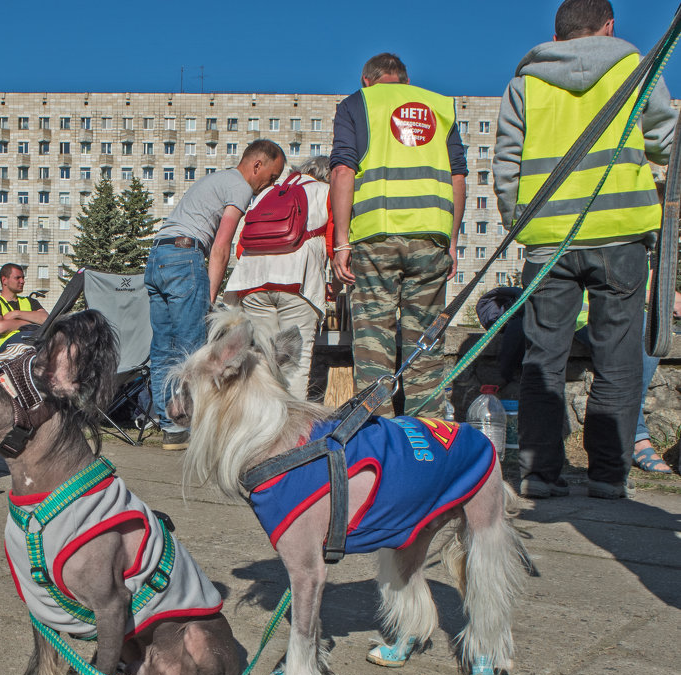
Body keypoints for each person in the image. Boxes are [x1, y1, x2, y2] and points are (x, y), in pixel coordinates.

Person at [493, 0, 676, 499]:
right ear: (609, 26)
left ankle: (538, 473)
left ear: (558, 31)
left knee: (543, 357)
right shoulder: (636, 71)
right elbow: (665, 139)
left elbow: (506, 165)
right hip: (620, 234)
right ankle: (608, 476)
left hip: (548, 242)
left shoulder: (525, 83)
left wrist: (519, 225)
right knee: (617, 360)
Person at [329, 53, 467, 418]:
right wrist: (451, 241)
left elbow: (343, 170)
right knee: (426, 343)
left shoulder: (357, 104)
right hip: (431, 239)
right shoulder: (440, 106)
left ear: (366, 79)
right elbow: (458, 177)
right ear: (405, 81)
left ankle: (379, 433)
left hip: (376, 238)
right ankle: (428, 436)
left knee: (375, 343)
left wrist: (341, 241)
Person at [146, 139, 286, 449]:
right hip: (185, 259)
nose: (269, 184)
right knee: (195, 349)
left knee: (163, 350)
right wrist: (209, 299)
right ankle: (198, 427)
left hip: (157, 258)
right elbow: (221, 246)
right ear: (257, 165)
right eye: (272, 176)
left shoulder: (215, 178)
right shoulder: (239, 186)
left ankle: (171, 429)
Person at [224, 156, 332, 400]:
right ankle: (292, 437)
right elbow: (334, 243)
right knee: (294, 364)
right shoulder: (326, 193)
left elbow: (242, 246)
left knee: (264, 363)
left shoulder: (268, 193)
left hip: (251, 283)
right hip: (296, 283)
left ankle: (263, 431)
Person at [0, 262, 47, 352]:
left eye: (23, 278)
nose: (22, 281)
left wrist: (16, 314)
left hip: (33, 342)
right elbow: (0, 327)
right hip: (9, 349)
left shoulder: (30, 301)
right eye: (17, 278)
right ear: (4, 280)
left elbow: (46, 319)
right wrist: (29, 323)